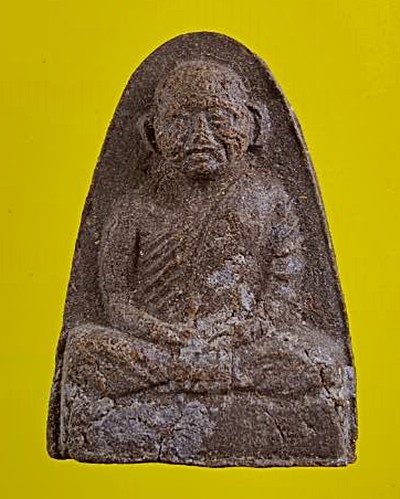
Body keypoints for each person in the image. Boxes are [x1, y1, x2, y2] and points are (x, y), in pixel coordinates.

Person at [62, 61, 343, 408]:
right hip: (160, 348)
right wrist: (166, 334)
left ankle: (208, 375)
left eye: (219, 118)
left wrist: (244, 333)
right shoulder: (134, 208)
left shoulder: (270, 199)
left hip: (243, 347)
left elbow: (283, 289)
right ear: (151, 132)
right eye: (180, 121)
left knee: (322, 358)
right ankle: (196, 375)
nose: (201, 135)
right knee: (84, 349)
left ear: (254, 124)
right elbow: (117, 299)